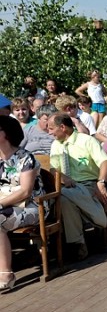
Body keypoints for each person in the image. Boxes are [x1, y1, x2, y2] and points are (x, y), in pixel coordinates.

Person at [48, 113, 107, 261]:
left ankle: (77, 243)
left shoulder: (87, 140)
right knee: (64, 198)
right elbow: (53, 169)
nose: (49, 133)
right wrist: (64, 177)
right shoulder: (56, 144)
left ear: (62, 127)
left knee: (61, 198)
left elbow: (106, 162)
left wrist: (101, 182)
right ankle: (93, 224)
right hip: (68, 187)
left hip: (89, 184)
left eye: (51, 128)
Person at [0, 116, 48, 291]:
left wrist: (0, 204)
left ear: (6, 134)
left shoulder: (25, 158)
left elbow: (25, 191)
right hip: (7, 206)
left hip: (31, 207)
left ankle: (6, 273)